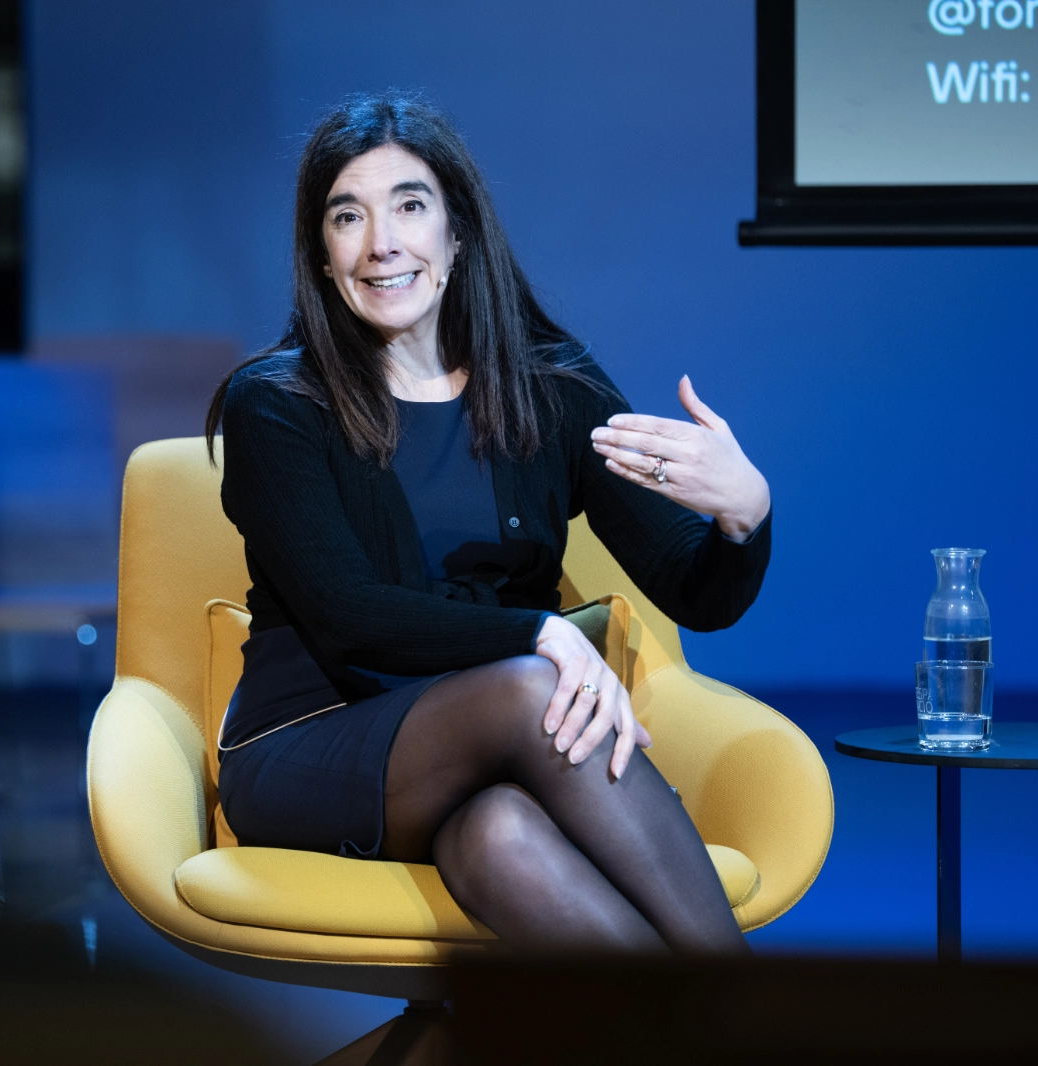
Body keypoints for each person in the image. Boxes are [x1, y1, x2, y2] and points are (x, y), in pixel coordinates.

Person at [204, 92, 772, 954]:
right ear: (321, 255)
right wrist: (538, 632)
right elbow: (349, 616)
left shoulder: (553, 387)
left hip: (486, 768)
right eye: (347, 216)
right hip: (312, 745)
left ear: (457, 234)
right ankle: (757, 1020)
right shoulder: (276, 404)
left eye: (409, 206)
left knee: (500, 838)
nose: (381, 242)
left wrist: (745, 516)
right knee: (528, 686)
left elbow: (696, 593)